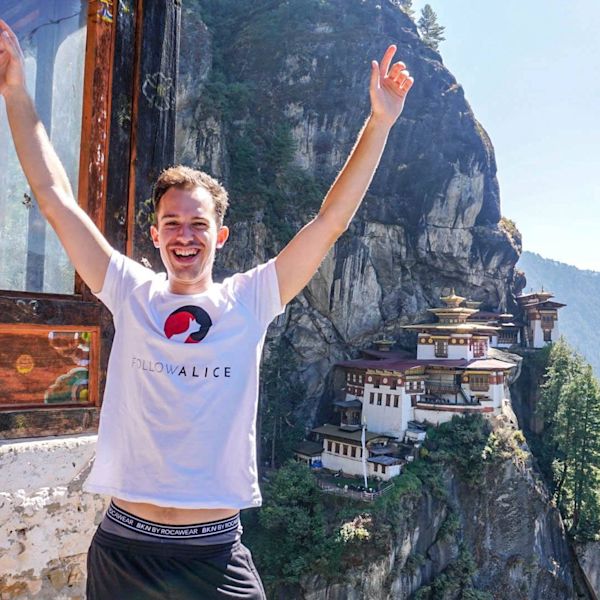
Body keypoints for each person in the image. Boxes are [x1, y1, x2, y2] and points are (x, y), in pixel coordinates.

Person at [0, 18, 413, 600]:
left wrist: (379, 123)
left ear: (220, 236)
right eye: (172, 223)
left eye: (199, 223)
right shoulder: (128, 289)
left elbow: (330, 223)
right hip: (126, 549)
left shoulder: (251, 298)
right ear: (155, 235)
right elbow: (55, 198)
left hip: (215, 553)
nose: (185, 235)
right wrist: (17, 93)